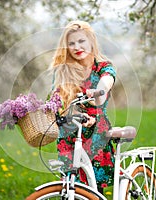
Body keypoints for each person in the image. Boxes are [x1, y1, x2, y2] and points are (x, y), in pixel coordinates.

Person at [50, 20, 116, 194]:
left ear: (91, 42)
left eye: (81, 41)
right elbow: (56, 100)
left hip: (95, 133)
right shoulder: (63, 71)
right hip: (70, 132)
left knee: (93, 189)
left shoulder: (102, 67)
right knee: (70, 188)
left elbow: (107, 81)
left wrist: (99, 92)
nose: (76, 47)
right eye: (71, 43)